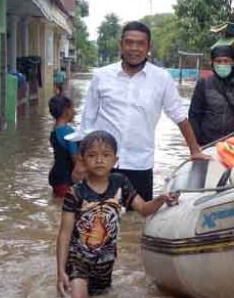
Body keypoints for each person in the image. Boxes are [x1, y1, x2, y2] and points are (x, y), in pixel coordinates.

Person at [80, 21, 207, 201]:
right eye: (129, 42)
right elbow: (88, 120)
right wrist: (81, 161)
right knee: (96, 214)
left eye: (140, 44)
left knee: (138, 215)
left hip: (139, 164)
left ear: (149, 47)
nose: (134, 48)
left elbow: (179, 116)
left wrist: (194, 151)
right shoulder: (102, 76)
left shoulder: (162, 78)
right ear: (120, 45)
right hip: (102, 164)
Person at [56, 131, 179, 298]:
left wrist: (161, 199)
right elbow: (64, 234)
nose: (99, 160)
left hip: (106, 261)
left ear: (115, 160)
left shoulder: (121, 183)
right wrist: (60, 271)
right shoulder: (75, 192)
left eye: (106, 155)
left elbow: (143, 209)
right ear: (82, 160)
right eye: (92, 155)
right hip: (78, 260)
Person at [188, 45, 234, 145]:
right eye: (218, 61)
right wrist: (198, 142)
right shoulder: (203, 84)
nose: (222, 64)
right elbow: (194, 115)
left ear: (233, 62)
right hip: (209, 143)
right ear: (212, 63)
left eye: (226, 61)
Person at [48, 95, 82, 199]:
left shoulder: (54, 131)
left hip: (55, 175)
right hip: (66, 178)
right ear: (66, 111)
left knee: (56, 203)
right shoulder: (69, 132)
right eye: (72, 109)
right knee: (66, 205)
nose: (74, 112)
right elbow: (74, 158)